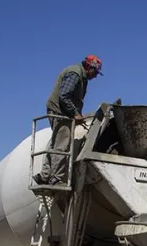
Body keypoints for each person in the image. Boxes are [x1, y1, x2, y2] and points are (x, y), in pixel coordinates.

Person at [35, 55, 103, 186]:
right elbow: (64, 95)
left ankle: (44, 175)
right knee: (62, 145)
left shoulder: (80, 75)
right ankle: (56, 178)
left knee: (55, 143)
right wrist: (75, 113)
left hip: (60, 111)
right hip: (61, 112)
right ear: (89, 67)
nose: (95, 76)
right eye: (95, 72)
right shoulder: (75, 73)